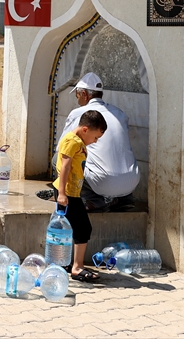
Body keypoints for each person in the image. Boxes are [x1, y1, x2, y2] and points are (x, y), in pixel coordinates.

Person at [59, 72, 140, 212]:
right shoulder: (119, 113)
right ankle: (124, 199)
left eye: (77, 95)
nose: (77, 99)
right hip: (132, 182)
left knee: (60, 157)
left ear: (84, 94)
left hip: (102, 182)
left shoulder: (79, 114)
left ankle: (93, 200)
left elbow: (62, 148)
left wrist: (60, 191)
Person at [54, 109, 107, 283]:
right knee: (83, 228)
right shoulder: (73, 141)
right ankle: (77, 267)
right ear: (85, 129)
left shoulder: (78, 142)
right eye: (95, 137)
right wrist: (62, 193)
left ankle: (68, 263)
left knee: (74, 229)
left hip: (71, 193)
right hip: (67, 194)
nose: (95, 141)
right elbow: (65, 168)